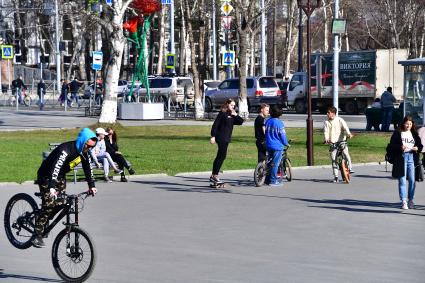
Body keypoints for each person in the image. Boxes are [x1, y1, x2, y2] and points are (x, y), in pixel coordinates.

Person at [34, 128, 98, 248]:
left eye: (91, 147)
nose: (89, 149)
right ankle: (37, 234)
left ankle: (45, 218)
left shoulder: (84, 153)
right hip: (47, 176)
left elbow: (88, 169)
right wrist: (52, 187)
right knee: (49, 205)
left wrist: (92, 186)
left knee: (62, 203)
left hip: (60, 177)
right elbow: (55, 168)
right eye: (88, 146)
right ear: (82, 141)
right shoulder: (66, 150)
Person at [388, 115, 423, 210]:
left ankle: (410, 200)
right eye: (407, 124)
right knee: (402, 180)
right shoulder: (397, 133)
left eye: (410, 124)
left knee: (412, 180)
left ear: (412, 124)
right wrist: (400, 147)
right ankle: (404, 201)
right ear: (403, 123)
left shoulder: (414, 133)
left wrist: (417, 148)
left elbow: (420, 145)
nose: (408, 126)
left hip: (411, 158)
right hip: (401, 158)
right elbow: (391, 145)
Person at [210, 98, 244, 184]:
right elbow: (215, 125)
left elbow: (240, 122)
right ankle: (215, 175)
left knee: (221, 156)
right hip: (221, 137)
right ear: (227, 104)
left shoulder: (231, 114)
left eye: (234, 105)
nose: (233, 107)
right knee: (221, 156)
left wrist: (235, 115)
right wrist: (213, 136)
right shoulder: (222, 113)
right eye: (231, 105)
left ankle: (214, 175)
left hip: (227, 138)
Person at [323, 106, 354, 183]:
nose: (327, 114)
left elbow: (345, 127)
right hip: (333, 142)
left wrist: (348, 134)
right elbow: (326, 132)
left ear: (333, 113)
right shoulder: (326, 122)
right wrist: (326, 139)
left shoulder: (340, 120)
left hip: (341, 141)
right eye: (327, 112)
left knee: (346, 153)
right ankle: (336, 177)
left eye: (328, 112)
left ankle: (350, 168)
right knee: (334, 160)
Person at [265, 105, 289, 186]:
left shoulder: (267, 121)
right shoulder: (279, 123)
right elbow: (283, 136)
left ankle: (267, 179)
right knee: (275, 164)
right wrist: (286, 143)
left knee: (269, 162)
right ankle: (273, 181)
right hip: (277, 146)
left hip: (268, 144)